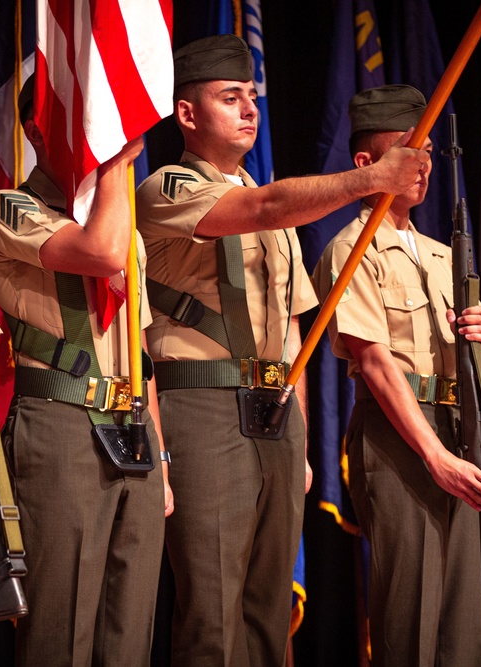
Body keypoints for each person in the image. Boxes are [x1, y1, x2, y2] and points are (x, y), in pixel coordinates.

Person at [134, 35, 430, 666]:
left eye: (251, 97)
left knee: (270, 609)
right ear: (187, 114)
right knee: (212, 607)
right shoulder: (169, 187)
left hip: (273, 413)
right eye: (228, 97)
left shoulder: (275, 214)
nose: (248, 110)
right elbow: (262, 207)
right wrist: (372, 178)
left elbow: (292, 329)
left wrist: (293, 426)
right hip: (204, 409)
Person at [0, 76, 173, 666]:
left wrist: (160, 459)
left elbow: (140, 352)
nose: (95, 133)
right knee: (59, 635)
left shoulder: (122, 224)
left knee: (130, 633)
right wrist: (117, 159)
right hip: (62, 425)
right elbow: (101, 252)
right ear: (37, 131)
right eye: (80, 120)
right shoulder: (8, 207)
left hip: (131, 430)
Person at [311, 84, 481, 667]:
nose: (421, 166)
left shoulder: (446, 255)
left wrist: (477, 344)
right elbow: (372, 362)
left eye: (425, 152)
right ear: (368, 164)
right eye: (406, 149)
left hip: (457, 428)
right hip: (401, 438)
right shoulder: (350, 249)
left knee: (463, 627)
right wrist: (434, 457)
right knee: (410, 623)